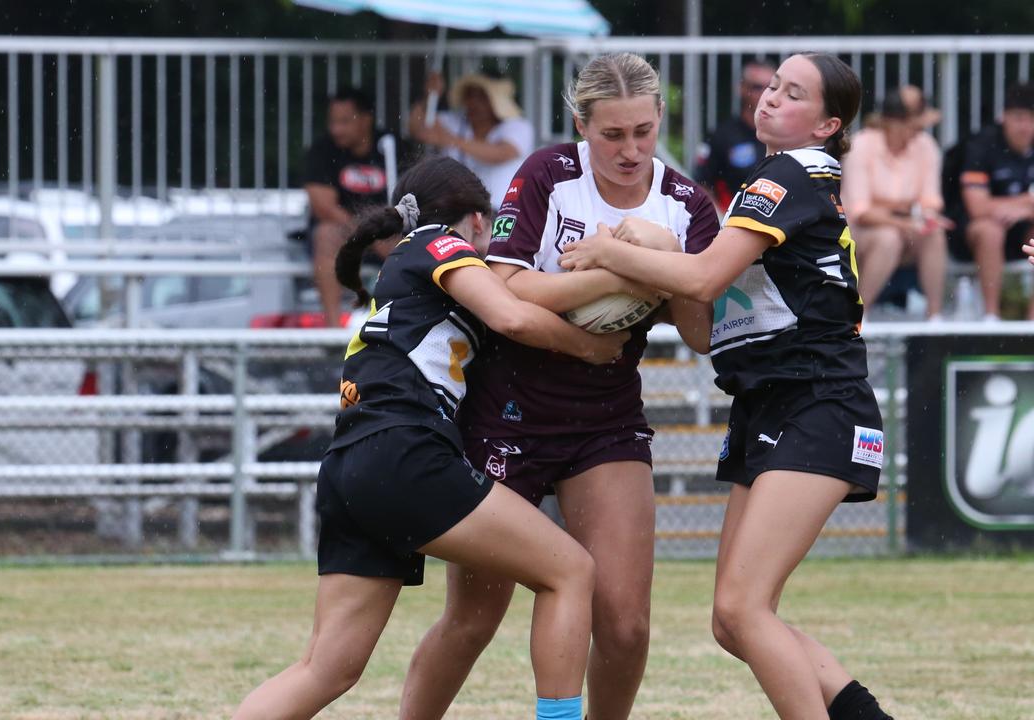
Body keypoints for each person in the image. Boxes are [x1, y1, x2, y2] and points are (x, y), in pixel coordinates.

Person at [233, 156, 633, 720]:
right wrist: (592, 340)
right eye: (489, 229)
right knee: (570, 571)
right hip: (404, 452)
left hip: (351, 462)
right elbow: (512, 316)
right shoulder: (437, 243)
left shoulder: (404, 266)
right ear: (474, 220)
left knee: (326, 668)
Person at [559, 53, 897, 720]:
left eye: (792, 94)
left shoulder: (790, 175)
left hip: (817, 400)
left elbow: (705, 282)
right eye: (773, 86)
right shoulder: (784, 178)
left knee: (743, 609)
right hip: (777, 401)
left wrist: (610, 253)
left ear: (828, 124)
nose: (771, 99)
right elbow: (709, 315)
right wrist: (661, 250)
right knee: (734, 619)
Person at [399, 53, 720, 720]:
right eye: (612, 135)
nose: (630, 151)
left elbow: (703, 332)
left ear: (660, 118)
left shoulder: (684, 204)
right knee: (473, 620)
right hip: (507, 410)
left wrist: (662, 256)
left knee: (627, 625)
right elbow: (508, 288)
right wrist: (614, 269)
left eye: (642, 131)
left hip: (606, 415)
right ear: (581, 123)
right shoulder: (549, 173)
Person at [843, 91, 951, 320]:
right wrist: (905, 218)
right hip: (858, 234)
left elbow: (931, 202)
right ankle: (858, 315)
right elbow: (860, 212)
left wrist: (921, 217)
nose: (920, 132)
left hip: (903, 226)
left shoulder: (925, 145)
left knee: (934, 233)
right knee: (887, 237)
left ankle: (935, 316)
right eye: (916, 125)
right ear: (893, 123)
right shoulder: (861, 145)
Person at [302, 88, 404, 327]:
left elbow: (415, 196)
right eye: (333, 122)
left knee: (416, 242)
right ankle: (334, 330)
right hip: (345, 235)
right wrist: (371, 235)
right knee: (325, 234)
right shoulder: (323, 149)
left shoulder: (393, 146)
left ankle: (406, 325)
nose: (336, 129)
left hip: (389, 232)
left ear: (366, 118)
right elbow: (324, 207)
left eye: (345, 121)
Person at [946, 82, 1034, 321]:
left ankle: (1031, 321)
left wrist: (1023, 208)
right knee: (990, 230)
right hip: (971, 236)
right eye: (1019, 118)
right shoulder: (981, 145)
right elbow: (978, 208)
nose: (1025, 127)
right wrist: (1026, 202)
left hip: (1023, 234)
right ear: (1003, 117)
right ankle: (991, 317)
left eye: (1031, 119)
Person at [410, 71, 536, 211]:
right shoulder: (455, 122)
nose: (473, 102)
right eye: (470, 95)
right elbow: (419, 130)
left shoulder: (518, 126)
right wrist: (429, 97)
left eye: (481, 97)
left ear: (497, 101)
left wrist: (451, 140)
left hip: (502, 210)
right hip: (459, 210)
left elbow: (501, 153)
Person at [696, 61, 776, 212]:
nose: (766, 94)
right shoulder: (722, 136)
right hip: (733, 224)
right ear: (741, 88)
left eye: (772, 88)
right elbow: (702, 184)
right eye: (758, 87)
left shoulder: (789, 135)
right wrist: (720, 221)